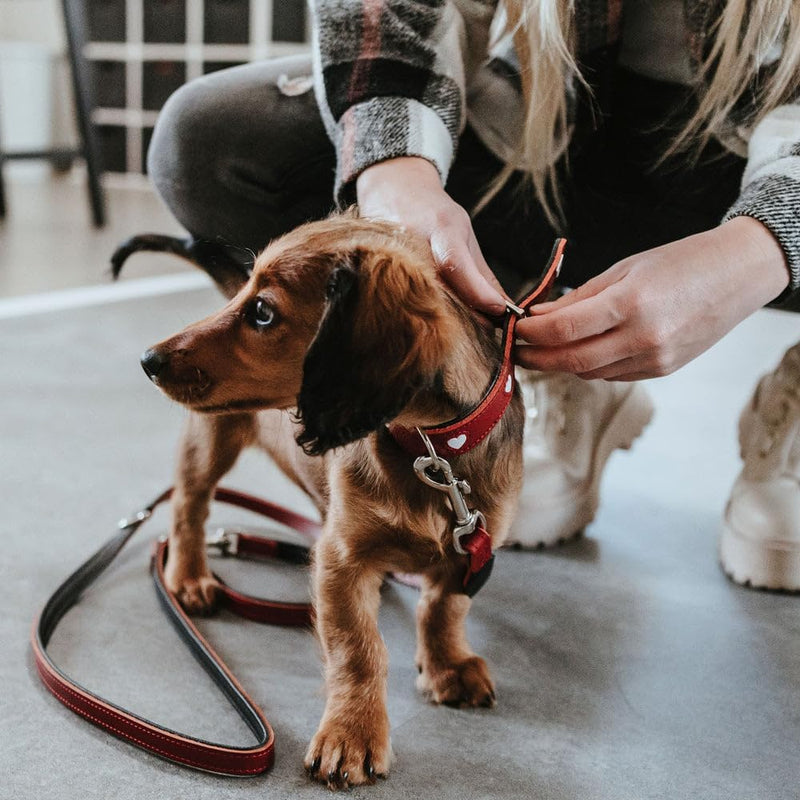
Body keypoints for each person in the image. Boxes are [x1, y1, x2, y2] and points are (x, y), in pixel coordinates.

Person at [147, 0, 800, 588]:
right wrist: (393, 172)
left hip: (766, 156)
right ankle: (550, 378)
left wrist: (765, 247)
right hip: (535, 121)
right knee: (208, 139)